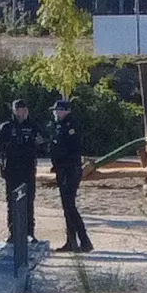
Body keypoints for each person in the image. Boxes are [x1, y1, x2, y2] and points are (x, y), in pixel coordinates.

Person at [46, 96, 93, 251]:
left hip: (70, 169)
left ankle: (84, 240)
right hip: (62, 169)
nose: (56, 113)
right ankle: (71, 240)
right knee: (67, 207)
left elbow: (70, 147)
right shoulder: (58, 125)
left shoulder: (72, 125)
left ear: (65, 111)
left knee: (70, 206)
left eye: (58, 110)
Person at [0, 98, 42, 248]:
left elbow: (45, 139)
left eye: (23, 110)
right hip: (11, 170)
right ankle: (13, 233)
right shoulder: (6, 127)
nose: (21, 113)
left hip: (28, 169)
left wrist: (41, 141)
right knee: (12, 202)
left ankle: (29, 232)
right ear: (14, 111)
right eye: (18, 110)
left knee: (29, 201)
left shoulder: (33, 126)